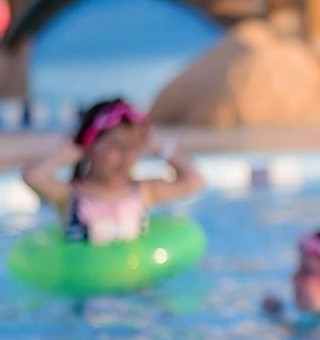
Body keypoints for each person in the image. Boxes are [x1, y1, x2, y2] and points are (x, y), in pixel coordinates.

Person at [22, 98, 203, 244]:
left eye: (134, 147)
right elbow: (32, 178)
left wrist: (158, 146)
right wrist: (68, 154)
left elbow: (193, 181)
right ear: (89, 146)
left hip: (136, 287)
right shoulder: (71, 196)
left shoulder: (144, 191)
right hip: (86, 288)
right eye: (115, 147)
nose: (126, 156)